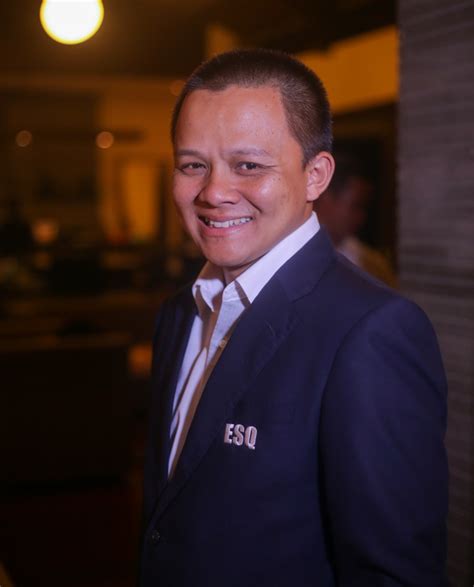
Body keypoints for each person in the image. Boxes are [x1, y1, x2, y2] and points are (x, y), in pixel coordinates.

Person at [140, 49, 448, 587]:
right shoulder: (179, 311)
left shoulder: (371, 332)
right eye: (193, 165)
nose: (213, 192)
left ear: (315, 176)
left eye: (248, 165)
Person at [314, 150, 397, 287]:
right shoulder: (289, 255)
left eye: (364, 207)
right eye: (355, 206)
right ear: (326, 198)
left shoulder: (373, 265)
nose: (361, 216)